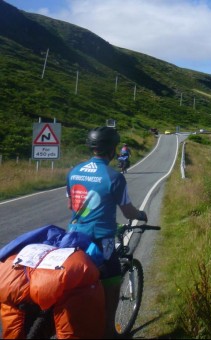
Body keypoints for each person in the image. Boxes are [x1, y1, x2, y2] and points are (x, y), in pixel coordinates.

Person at [66, 126, 148, 337]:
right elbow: (128, 211)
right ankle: (109, 331)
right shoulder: (114, 177)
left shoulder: (74, 171)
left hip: (73, 237)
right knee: (112, 281)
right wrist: (140, 215)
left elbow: (71, 206)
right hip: (101, 239)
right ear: (112, 150)